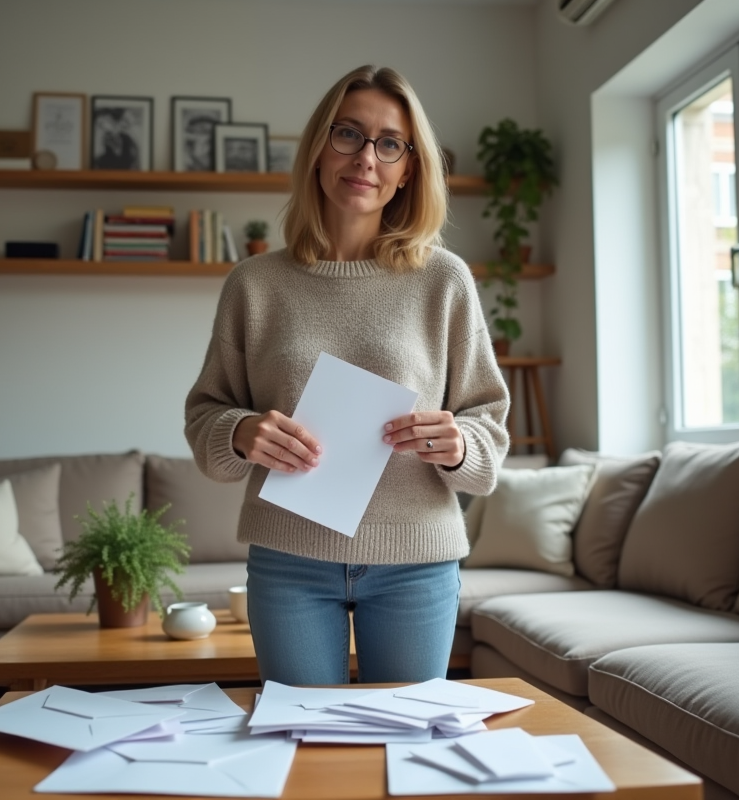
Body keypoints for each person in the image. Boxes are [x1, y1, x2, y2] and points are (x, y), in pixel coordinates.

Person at [184, 65, 510, 686]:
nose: (366, 158)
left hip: (416, 560)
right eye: (349, 134)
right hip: (290, 560)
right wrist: (240, 431)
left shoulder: (444, 280)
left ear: (408, 169)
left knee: (409, 740)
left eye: (390, 144)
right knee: (300, 738)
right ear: (318, 147)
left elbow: (488, 429)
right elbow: (205, 417)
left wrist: (460, 444)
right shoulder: (254, 284)